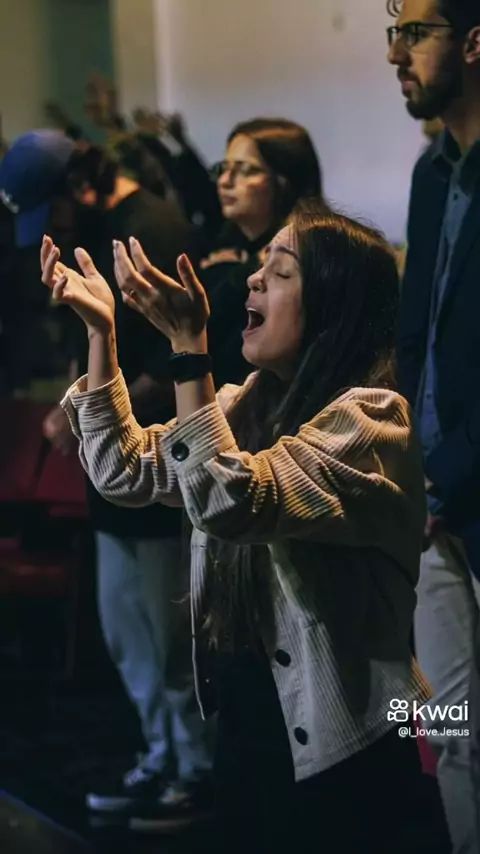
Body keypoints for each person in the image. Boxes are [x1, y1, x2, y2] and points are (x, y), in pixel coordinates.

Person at [39, 199, 446, 852]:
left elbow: (230, 501)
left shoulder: (373, 420)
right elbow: (122, 470)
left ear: (334, 306)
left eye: (280, 272)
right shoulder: (242, 403)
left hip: (351, 744)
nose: (254, 279)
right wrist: (101, 336)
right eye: (261, 266)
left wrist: (188, 351)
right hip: (252, 723)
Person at [0, 130, 213, 827]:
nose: (55, 230)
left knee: (169, 638)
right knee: (128, 633)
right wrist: (79, 399)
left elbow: (178, 358)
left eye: (53, 212)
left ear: (78, 185)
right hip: (114, 478)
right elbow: (97, 347)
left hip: (158, 473)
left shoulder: (152, 227)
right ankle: (163, 756)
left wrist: (88, 408)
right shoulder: (94, 229)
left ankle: (197, 773)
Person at [387, 2, 480, 851]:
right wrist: (407, 461)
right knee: (447, 727)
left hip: (462, 484)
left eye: (415, 33)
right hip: (433, 502)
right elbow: (414, 335)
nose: (395, 54)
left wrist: (441, 474)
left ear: (476, 43)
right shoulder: (431, 173)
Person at [200, 118, 326, 389]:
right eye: (224, 168)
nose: (225, 181)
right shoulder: (225, 245)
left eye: (247, 170)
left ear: (285, 182)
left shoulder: (308, 254)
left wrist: (239, 276)